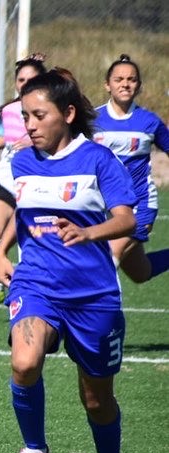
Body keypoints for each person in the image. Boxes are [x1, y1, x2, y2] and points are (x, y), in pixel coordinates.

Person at [0, 68, 136, 453]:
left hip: (93, 296)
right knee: (24, 361)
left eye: (38, 116)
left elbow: (126, 220)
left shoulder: (97, 160)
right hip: (37, 283)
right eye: (25, 116)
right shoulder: (21, 161)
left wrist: (89, 232)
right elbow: (22, 210)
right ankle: (35, 448)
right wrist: (2, 250)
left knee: (96, 400)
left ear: (68, 114)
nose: (30, 125)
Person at [0, 53, 48, 312]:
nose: (25, 83)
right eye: (21, 79)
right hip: (7, 179)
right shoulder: (10, 110)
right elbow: (7, 139)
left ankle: (28, 292)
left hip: (36, 180)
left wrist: (36, 142)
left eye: (31, 79)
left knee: (28, 238)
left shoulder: (50, 109)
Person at [94, 54, 169, 283]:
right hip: (105, 207)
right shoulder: (92, 120)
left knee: (107, 259)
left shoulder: (150, 121)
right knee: (140, 273)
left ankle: (90, 317)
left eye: (131, 79)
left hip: (140, 204)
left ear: (139, 85)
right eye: (118, 79)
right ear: (108, 85)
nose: (125, 84)